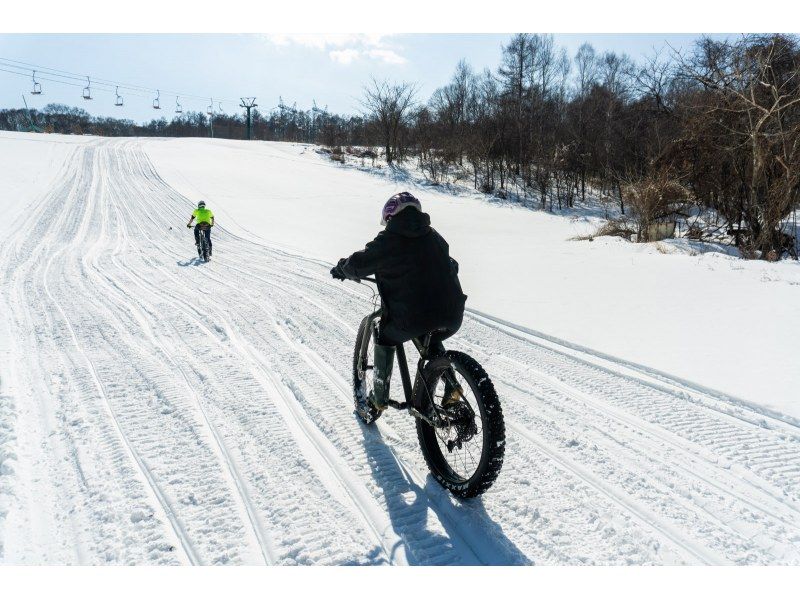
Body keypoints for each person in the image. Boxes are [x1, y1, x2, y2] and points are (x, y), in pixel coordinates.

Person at [331, 191, 466, 413]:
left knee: (385, 335)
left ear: (390, 217)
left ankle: (379, 399)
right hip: (452, 314)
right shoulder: (435, 237)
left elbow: (360, 263)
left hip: (411, 319)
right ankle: (452, 386)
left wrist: (342, 268)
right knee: (429, 334)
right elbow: (453, 265)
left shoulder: (388, 239)